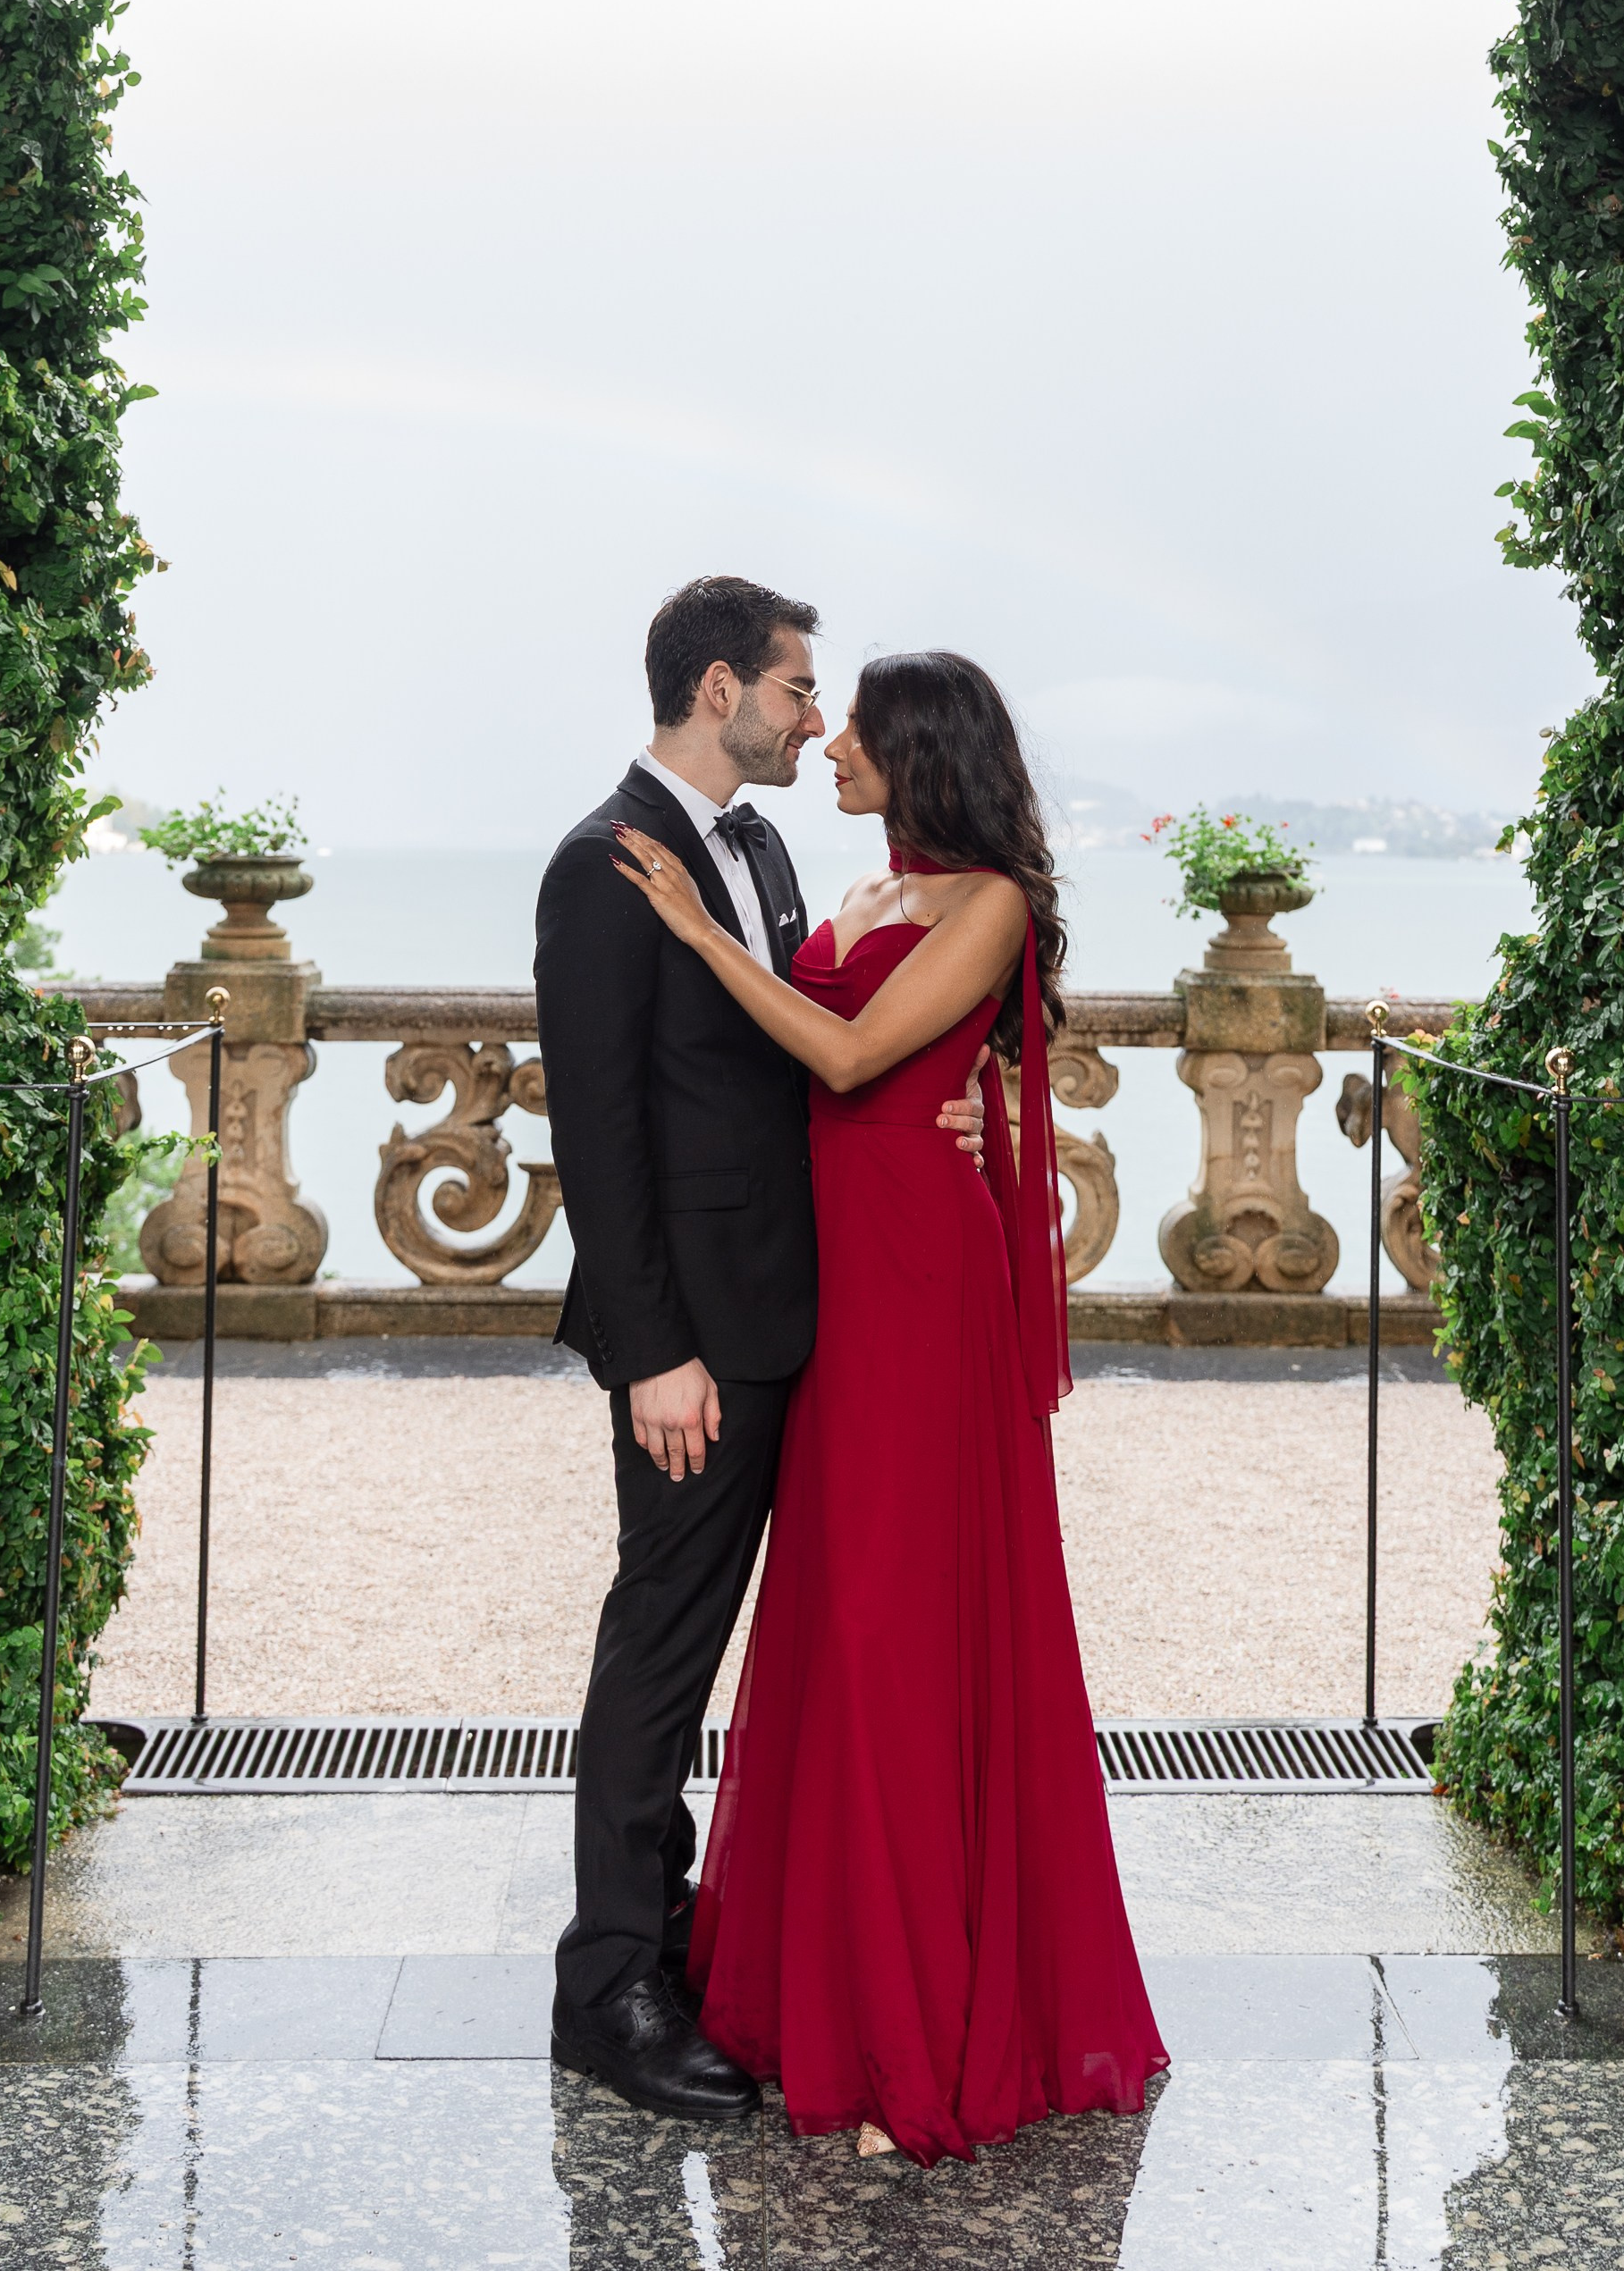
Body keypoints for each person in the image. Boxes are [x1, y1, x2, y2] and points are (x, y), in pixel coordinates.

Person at [610, 648, 1166, 2167]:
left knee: (898, 1623)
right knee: (832, 1614)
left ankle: (919, 2021)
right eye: (822, 710)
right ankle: (824, 1992)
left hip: (919, 1284)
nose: (830, 743)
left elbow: (853, 1053)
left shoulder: (983, 902)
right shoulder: (838, 898)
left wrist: (690, 930)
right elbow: (796, 1079)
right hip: (827, 1286)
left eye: (853, 723)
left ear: (918, 752)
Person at [537, 578, 989, 2123]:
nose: (816, 718)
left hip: (815, 1320)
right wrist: (655, 1351)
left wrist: (974, 1110)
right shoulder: (603, 866)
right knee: (663, 1644)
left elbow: (817, 1066)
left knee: (794, 1646)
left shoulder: (773, 849)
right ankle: (608, 1989)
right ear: (719, 686)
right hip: (697, 1347)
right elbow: (598, 1133)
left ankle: (694, 1950)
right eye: (799, 689)